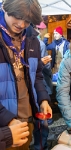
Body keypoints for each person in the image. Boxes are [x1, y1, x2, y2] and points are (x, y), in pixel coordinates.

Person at [0, 0, 52, 149]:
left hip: (27, 119)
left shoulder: (32, 40)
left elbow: (37, 75)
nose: (21, 24)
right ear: (5, 7)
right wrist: (7, 119)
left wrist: (43, 99)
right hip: (4, 125)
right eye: (17, 16)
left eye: (27, 21)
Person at [33, 23, 53, 150]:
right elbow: (44, 67)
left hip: (35, 86)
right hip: (39, 84)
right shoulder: (39, 43)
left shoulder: (36, 43)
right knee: (41, 120)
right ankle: (41, 146)